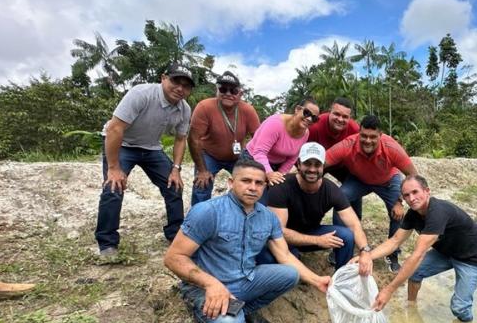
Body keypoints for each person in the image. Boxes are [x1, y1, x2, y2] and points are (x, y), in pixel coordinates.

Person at [164, 158, 331, 323]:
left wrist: (318, 280)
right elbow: (173, 258)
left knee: (290, 274)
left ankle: (244, 310)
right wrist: (211, 283)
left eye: (259, 183)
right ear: (230, 183)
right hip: (206, 286)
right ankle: (208, 313)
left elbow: (284, 255)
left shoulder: (267, 217)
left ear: (265, 187)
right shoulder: (207, 211)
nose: (253, 187)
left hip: (246, 280)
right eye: (246, 181)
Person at [95, 63, 193, 256]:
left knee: (174, 185)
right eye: (175, 81)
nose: (180, 88)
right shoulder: (141, 94)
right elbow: (115, 129)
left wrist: (176, 169)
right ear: (163, 78)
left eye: (186, 85)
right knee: (113, 187)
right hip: (122, 144)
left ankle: (175, 235)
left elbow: (181, 139)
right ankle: (107, 243)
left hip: (151, 148)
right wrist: (114, 168)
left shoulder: (184, 109)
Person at [366, 175, 477, 322]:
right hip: (446, 251)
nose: (411, 198)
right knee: (415, 273)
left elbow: (418, 255)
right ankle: (411, 308)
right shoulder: (413, 214)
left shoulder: (438, 212)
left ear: (427, 191)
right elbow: (394, 241)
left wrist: (388, 290)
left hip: (472, 257)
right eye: (406, 195)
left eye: (415, 192)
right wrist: (367, 255)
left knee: (459, 307)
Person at [261, 142, 373, 273]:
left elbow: (354, 225)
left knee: (346, 236)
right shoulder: (281, 187)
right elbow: (278, 232)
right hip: (282, 239)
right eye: (307, 163)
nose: (312, 169)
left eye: (317, 164)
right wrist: (317, 240)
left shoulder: (331, 190)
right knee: (269, 259)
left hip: (310, 231)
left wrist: (365, 251)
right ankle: (291, 257)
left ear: (323, 166)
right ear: (298, 164)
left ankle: (342, 278)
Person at [325, 115, 416, 272]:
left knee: (397, 214)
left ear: (380, 136)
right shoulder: (349, 144)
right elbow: (321, 161)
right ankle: (340, 247)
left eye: (373, 137)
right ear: (359, 133)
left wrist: (399, 201)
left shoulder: (392, 148)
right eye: (364, 136)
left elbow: (413, 175)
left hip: (388, 180)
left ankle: (393, 254)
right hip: (359, 179)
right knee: (340, 197)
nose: (368, 140)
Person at [188, 71, 261, 206]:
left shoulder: (248, 110)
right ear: (217, 90)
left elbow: (259, 139)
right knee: (201, 185)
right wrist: (202, 170)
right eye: (223, 89)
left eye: (233, 90)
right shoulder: (204, 107)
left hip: (237, 156)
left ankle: (243, 214)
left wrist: (257, 164)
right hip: (209, 154)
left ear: (240, 93)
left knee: (249, 184)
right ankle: (197, 220)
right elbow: (194, 139)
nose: (228, 93)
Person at [244, 98, 320, 196]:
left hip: (277, 165)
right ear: (297, 109)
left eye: (314, 118)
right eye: (307, 113)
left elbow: (293, 158)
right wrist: (269, 173)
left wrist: (280, 175)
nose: (309, 119)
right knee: (255, 195)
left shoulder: (305, 133)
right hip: (253, 158)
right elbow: (259, 152)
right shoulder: (275, 124)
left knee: (280, 193)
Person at [308, 97, 359, 182]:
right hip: (318, 163)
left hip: (341, 165)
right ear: (329, 112)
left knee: (353, 186)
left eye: (345, 117)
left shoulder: (354, 129)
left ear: (350, 118)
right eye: (337, 114)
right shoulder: (315, 127)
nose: (340, 119)